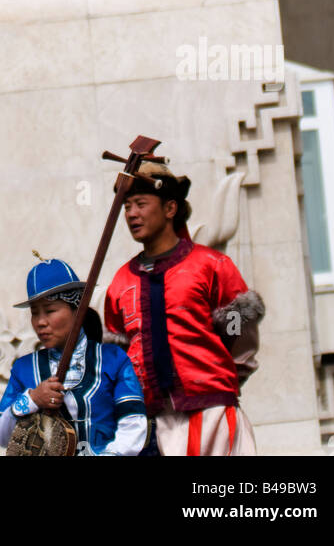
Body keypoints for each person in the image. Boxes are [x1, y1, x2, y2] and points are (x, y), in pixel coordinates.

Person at [104, 160, 265, 456]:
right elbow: (117, 358)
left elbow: (238, 336)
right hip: (151, 422)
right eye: (127, 206)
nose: (132, 214)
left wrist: (217, 377)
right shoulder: (121, 281)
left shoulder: (212, 266)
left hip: (212, 414)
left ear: (170, 209)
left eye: (140, 203)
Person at [0, 257, 147, 455]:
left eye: (50, 311)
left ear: (78, 310)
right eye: (35, 313)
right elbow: (0, 435)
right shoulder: (24, 368)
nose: (40, 322)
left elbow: (134, 424)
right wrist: (32, 399)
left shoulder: (113, 360)